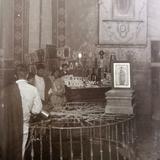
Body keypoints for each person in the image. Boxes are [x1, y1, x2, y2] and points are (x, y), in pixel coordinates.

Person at [0, 64, 42, 160]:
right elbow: (37, 110)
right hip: (24, 126)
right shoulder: (33, 89)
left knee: (7, 152)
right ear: (27, 75)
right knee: (20, 152)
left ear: (15, 75)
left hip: (8, 127)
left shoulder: (6, 90)